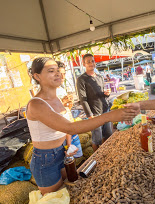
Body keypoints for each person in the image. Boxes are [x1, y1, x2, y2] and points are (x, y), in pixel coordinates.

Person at [26, 57, 138, 195]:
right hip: (45, 160)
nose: (58, 74)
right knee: (54, 199)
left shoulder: (57, 99)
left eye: (58, 70)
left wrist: (67, 146)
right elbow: (70, 127)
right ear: (37, 76)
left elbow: (65, 128)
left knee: (66, 192)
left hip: (60, 152)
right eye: (51, 71)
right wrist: (109, 116)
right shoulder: (36, 104)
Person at [76, 54, 113, 151]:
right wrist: (90, 115)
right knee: (97, 140)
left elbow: (101, 93)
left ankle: (106, 153)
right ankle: (96, 158)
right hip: (94, 114)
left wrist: (107, 94)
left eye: (93, 61)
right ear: (84, 64)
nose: (91, 63)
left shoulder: (100, 77)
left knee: (108, 135)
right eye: (88, 62)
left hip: (105, 110)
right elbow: (82, 99)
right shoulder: (81, 79)